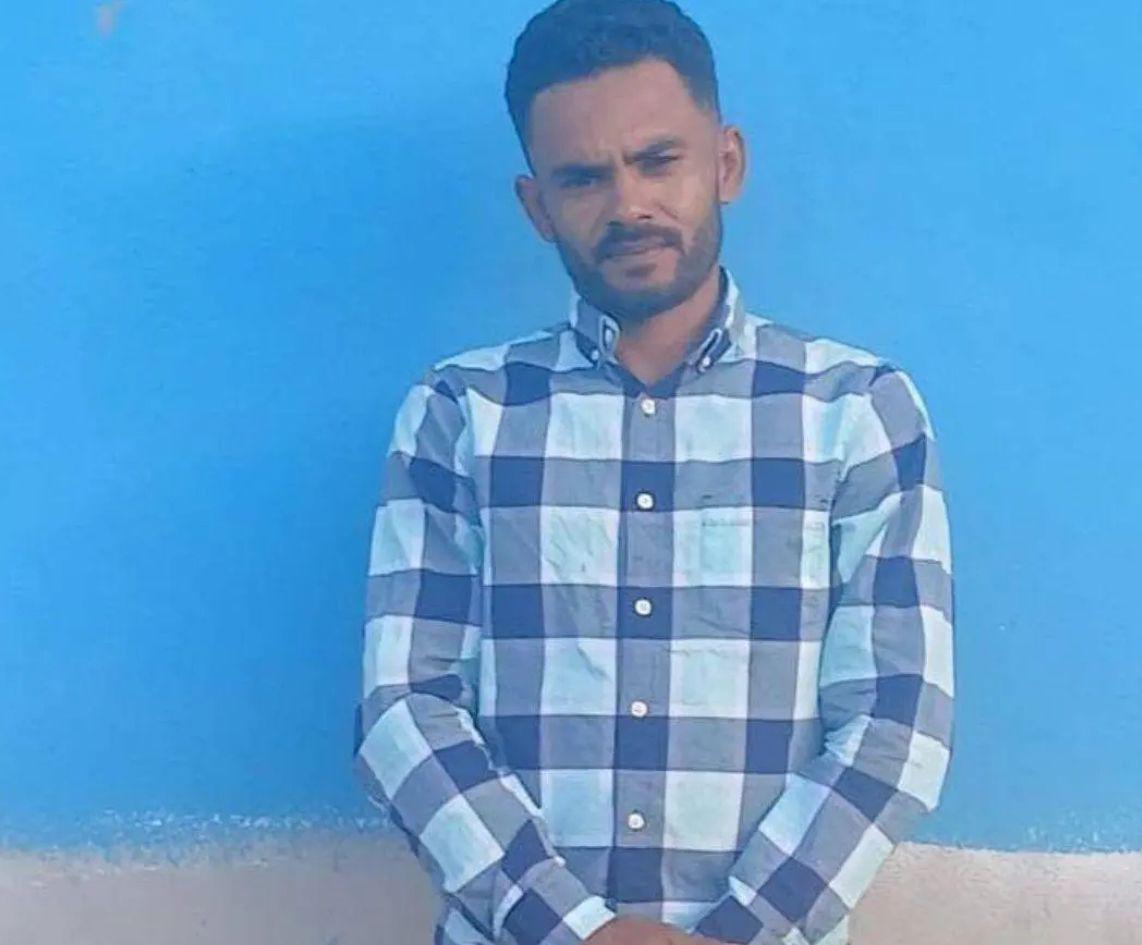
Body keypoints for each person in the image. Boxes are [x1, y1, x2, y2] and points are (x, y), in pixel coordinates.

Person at [352, 2, 955, 945]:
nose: (628, 204)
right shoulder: (462, 413)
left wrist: (740, 930)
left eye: (658, 160)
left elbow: (895, 721)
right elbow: (406, 709)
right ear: (537, 206)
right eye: (584, 177)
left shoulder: (853, 411)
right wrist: (579, 931)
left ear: (726, 163)